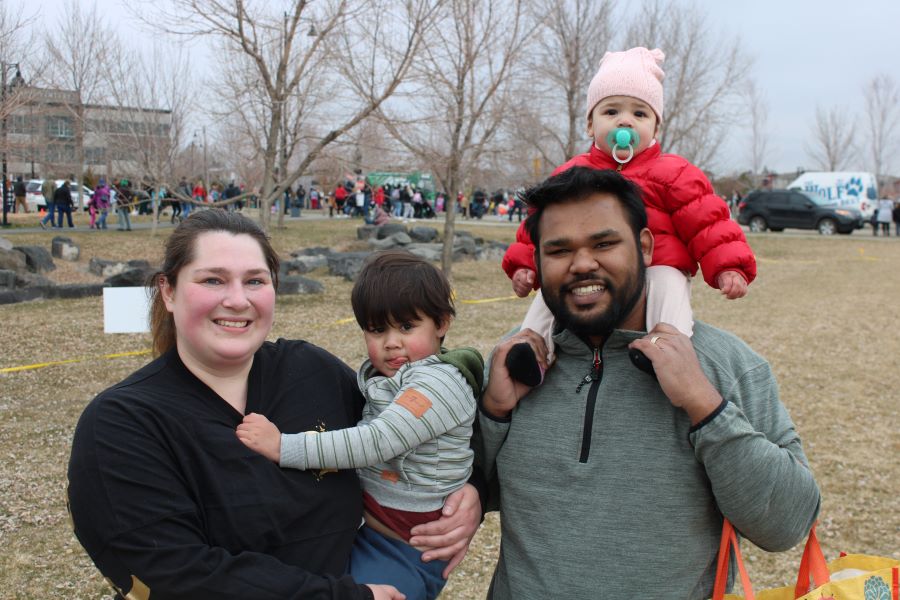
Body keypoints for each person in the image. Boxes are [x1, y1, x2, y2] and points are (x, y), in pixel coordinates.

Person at [67, 212, 483, 600]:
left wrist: (471, 493)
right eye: (213, 280)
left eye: (254, 281)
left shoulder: (310, 370)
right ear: (168, 291)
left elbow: (422, 429)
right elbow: (175, 574)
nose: (237, 300)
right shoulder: (121, 424)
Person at [479, 167, 820, 599]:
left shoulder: (727, 365)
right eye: (559, 250)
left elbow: (786, 524)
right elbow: (456, 496)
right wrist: (493, 412)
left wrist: (705, 406)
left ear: (644, 247)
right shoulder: (515, 362)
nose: (582, 264)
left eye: (604, 244)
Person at [501, 47, 756, 385]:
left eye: (639, 113)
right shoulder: (573, 174)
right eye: (611, 111)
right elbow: (541, 227)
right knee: (552, 292)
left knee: (668, 284)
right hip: (589, 265)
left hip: (659, 262)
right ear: (590, 124)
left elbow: (708, 223)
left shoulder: (675, 173)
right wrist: (525, 266)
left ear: (655, 126)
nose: (625, 121)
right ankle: (532, 349)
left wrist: (728, 267)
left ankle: (667, 346)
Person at [237, 251, 482, 600]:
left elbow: (376, 442)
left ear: (441, 323)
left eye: (407, 327)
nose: (391, 342)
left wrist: (283, 446)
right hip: (373, 530)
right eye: (377, 330)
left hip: (409, 547)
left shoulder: (437, 385)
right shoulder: (389, 376)